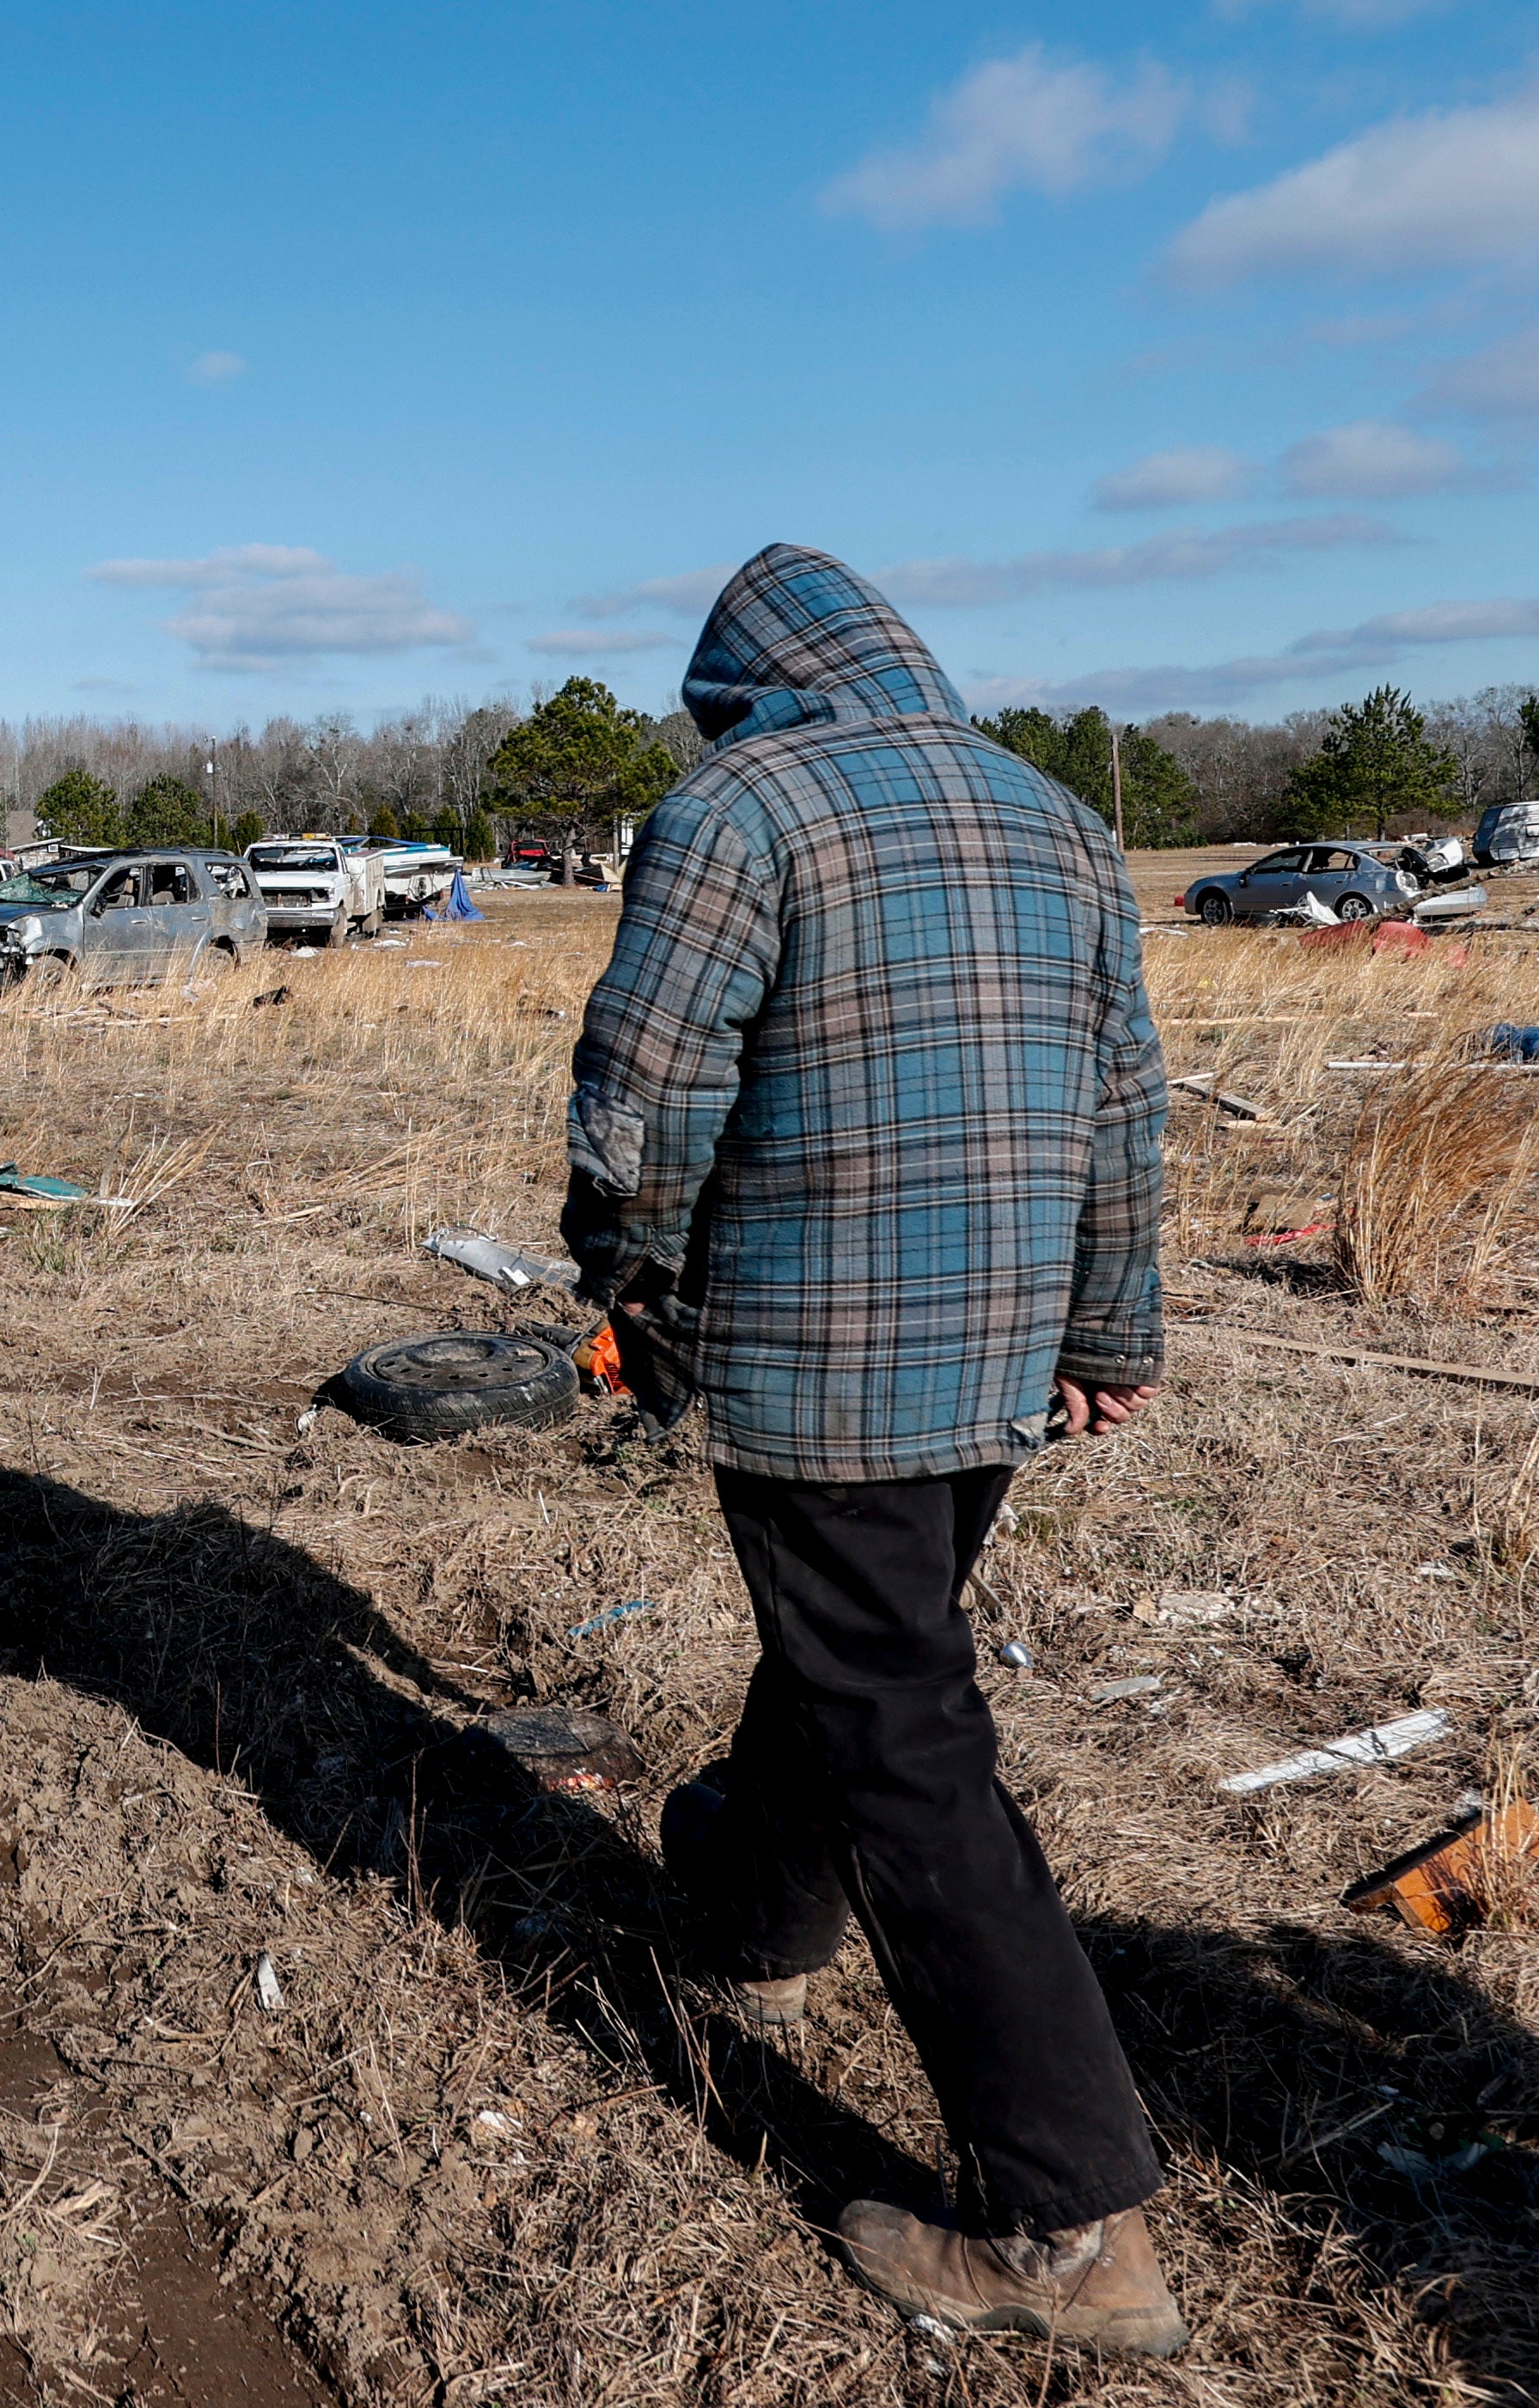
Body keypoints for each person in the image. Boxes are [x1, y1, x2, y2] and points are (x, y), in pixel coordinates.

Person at [561, 544, 1182, 2356]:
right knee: (860, 1651)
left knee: (905, 1739)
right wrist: (1107, 1331)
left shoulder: (738, 806)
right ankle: (760, 1916)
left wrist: (624, 1270)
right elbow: (1124, 1105)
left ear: (743, 685)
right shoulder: (1057, 816)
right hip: (997, 1360)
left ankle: (1071, 2229)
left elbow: (646, 1086)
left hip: (820, 1365)